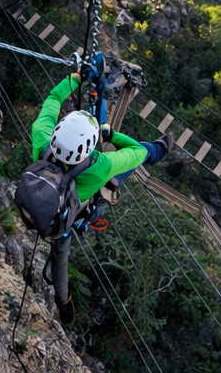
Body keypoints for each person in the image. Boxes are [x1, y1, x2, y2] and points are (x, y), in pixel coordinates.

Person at [31, 71, 172, 324]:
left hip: (41, 203)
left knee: (60, 260)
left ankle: (63, 303)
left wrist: (74, 78)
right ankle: (161, 149)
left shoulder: (40, 137)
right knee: (60, 256)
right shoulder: (100, 167)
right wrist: (108, 135)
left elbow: (53, 99)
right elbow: (137, 151)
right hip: (68, 219)